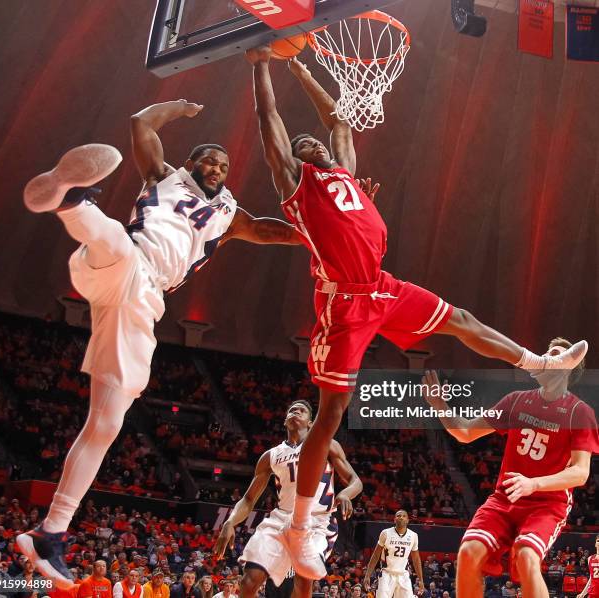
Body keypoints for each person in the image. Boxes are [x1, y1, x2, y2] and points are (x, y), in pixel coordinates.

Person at [245, 45, 588, 580]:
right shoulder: (296, 185)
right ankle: (301, 524)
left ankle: (535, 362)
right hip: (344, 302)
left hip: (383, 286)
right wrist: (263, 66)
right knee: (331, 414)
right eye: (300, 142)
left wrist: (303, 70)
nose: (309, 140)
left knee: (463, 319)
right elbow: (270, 122)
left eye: (311, 139)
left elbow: (337, 118)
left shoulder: (347, 174)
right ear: (294, 156)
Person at [17, 99, 306, 587]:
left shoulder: (230, 213)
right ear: (190, 163)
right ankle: (71, 201)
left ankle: (50, 533)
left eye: (223, 163)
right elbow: (140, 124)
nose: (215, 166)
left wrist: (316, 231)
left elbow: (265, 230)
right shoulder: (165, 176)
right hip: (130, 259)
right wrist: (176, 108)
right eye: (207, 159)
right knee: (114, 243)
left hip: (142, 304)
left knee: (106, 423)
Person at [421, 338, 599, 598]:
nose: (547, 358)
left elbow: (580, 473)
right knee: (469, 552)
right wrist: (439, 406)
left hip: (547, 503)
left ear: (569, 366)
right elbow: (465, 432)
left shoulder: (579, 412)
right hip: (505, 498)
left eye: (557, 354)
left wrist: (534, 483)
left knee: (528, 557)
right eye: (546, 353)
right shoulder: (515, 400)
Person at [214, 401, 362, 598]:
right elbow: (248, 499)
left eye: (302, 410)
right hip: (281, 519)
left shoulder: (326, 445)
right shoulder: (271, 456)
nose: (296, 412)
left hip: (316, 521)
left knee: (303, 578)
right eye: (292, 410)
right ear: (285, 421)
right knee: (249, 580)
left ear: (310, 423)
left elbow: (355, 481)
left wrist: (344, 494)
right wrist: (230, 522)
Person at [363, 510, 424, 598]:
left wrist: (421, 580)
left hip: (403, 574)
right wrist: (367, 575)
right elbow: (376, 555)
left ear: (407, 520)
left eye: (404, 516)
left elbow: (416, 559)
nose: (401, 517)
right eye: (398, 516)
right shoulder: (386, 533)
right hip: (386, 574)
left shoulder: (413, 536)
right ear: (394, 519)